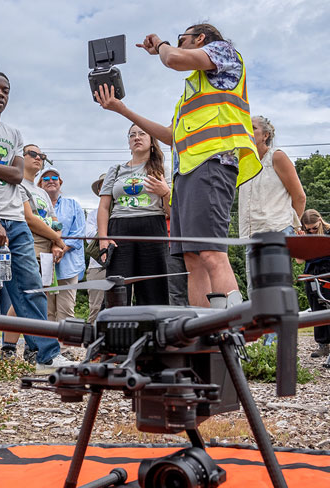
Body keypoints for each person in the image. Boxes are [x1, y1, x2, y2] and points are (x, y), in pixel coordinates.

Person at [94, 22, 261, 307]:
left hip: (212, 163)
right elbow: (170, 137)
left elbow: (172, 58)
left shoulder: (224, 52)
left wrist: (161, 44)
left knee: (211, 252)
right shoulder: (190, 94)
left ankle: (232, 327)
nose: (177, 44)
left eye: (181, 39)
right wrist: (122, 110)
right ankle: (204, 329)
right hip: (186, 173)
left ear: (200, 38)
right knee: (192, 258)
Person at [0, 71, 72, 377]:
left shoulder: (14, 133)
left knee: (31, 289)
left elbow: (17, 175)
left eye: (5, 90)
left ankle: (47, 354)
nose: (0, 94)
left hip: (17, 220)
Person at [0, 144, 67, 361]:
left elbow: (54, 221)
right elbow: (29, 218)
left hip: (47, 250)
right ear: (21, 157)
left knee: (39, 297)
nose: (39, 158)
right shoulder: (17, 185)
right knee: (23, 298)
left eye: (42, 155)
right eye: (33, 154)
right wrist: (57, 238)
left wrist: (56, 243)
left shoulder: (42, 192)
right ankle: (9, 347)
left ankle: (34, 346)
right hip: (28, 245)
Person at [97, 124, 171, 306]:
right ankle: (114, 324)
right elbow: (104, 207)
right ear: (128, 143)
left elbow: (171, 212)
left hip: (153, 227)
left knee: (154, 290)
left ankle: (153, 324)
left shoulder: (163, 169)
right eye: (132, 135)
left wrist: (165, 192)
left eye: (142, 133)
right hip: (119, 228)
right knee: (116, 288)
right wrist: (103, 238)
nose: (136, 137)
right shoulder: (115, 170)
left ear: (152, 141)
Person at [239, 115, 306, 292]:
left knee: (274, 288)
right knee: (255, 290)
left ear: (265, 135)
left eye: (253, 127)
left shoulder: (276, 157)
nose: (247, 131)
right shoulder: (243, 162)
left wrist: (289, 225)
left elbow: (299, 197)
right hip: (251, 235)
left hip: (276, 231)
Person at [297, 209, 330, 358]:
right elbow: (299, 260)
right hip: (311, 273)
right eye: (308, 229)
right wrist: (300, 242)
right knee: (317, 310)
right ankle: (323, 345)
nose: (312, 231)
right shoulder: (304, 235)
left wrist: (319, 250)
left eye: (314, 228)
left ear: (320, 220)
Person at [38, 166, 85, 321]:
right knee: (46, 313)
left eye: (54, 178)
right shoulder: (35, 206)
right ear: (40, 184)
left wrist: (61, 248)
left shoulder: (73, 204)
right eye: (46, 178)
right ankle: (47, 338)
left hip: (68, 266)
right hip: (42, 263)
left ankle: (64, 339)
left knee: (66, 311)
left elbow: (79, 233)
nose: (50, 181)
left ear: (60, 182)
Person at [85, 174, 107, 323]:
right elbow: (89, 237)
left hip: (122, 263)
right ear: (99, 191)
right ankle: (93, 337)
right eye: (103, 186)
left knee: (123, 307)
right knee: (96, 308)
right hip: (97, 266)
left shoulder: (124, 214)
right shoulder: (93, 214)